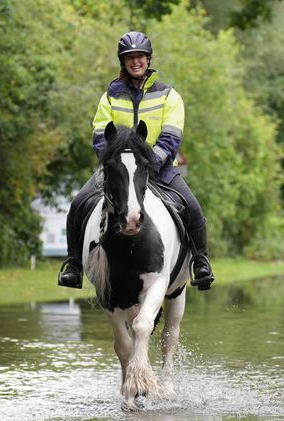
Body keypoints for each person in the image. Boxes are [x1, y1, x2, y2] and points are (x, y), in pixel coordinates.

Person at [57, 31, 214, 290]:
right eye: (129, 57)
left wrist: (149, 163)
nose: (135, 61)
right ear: (123, 61)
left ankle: (200, 262)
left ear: (149, 59)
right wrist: (113, 164)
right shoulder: (109, 96)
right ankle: (73, 265)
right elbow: (100, 134)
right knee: (78, 204)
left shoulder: (168, 95)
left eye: (140, 56)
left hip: (160, 170)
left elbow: (171, 136)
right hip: (118, 171)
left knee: (192, 207)